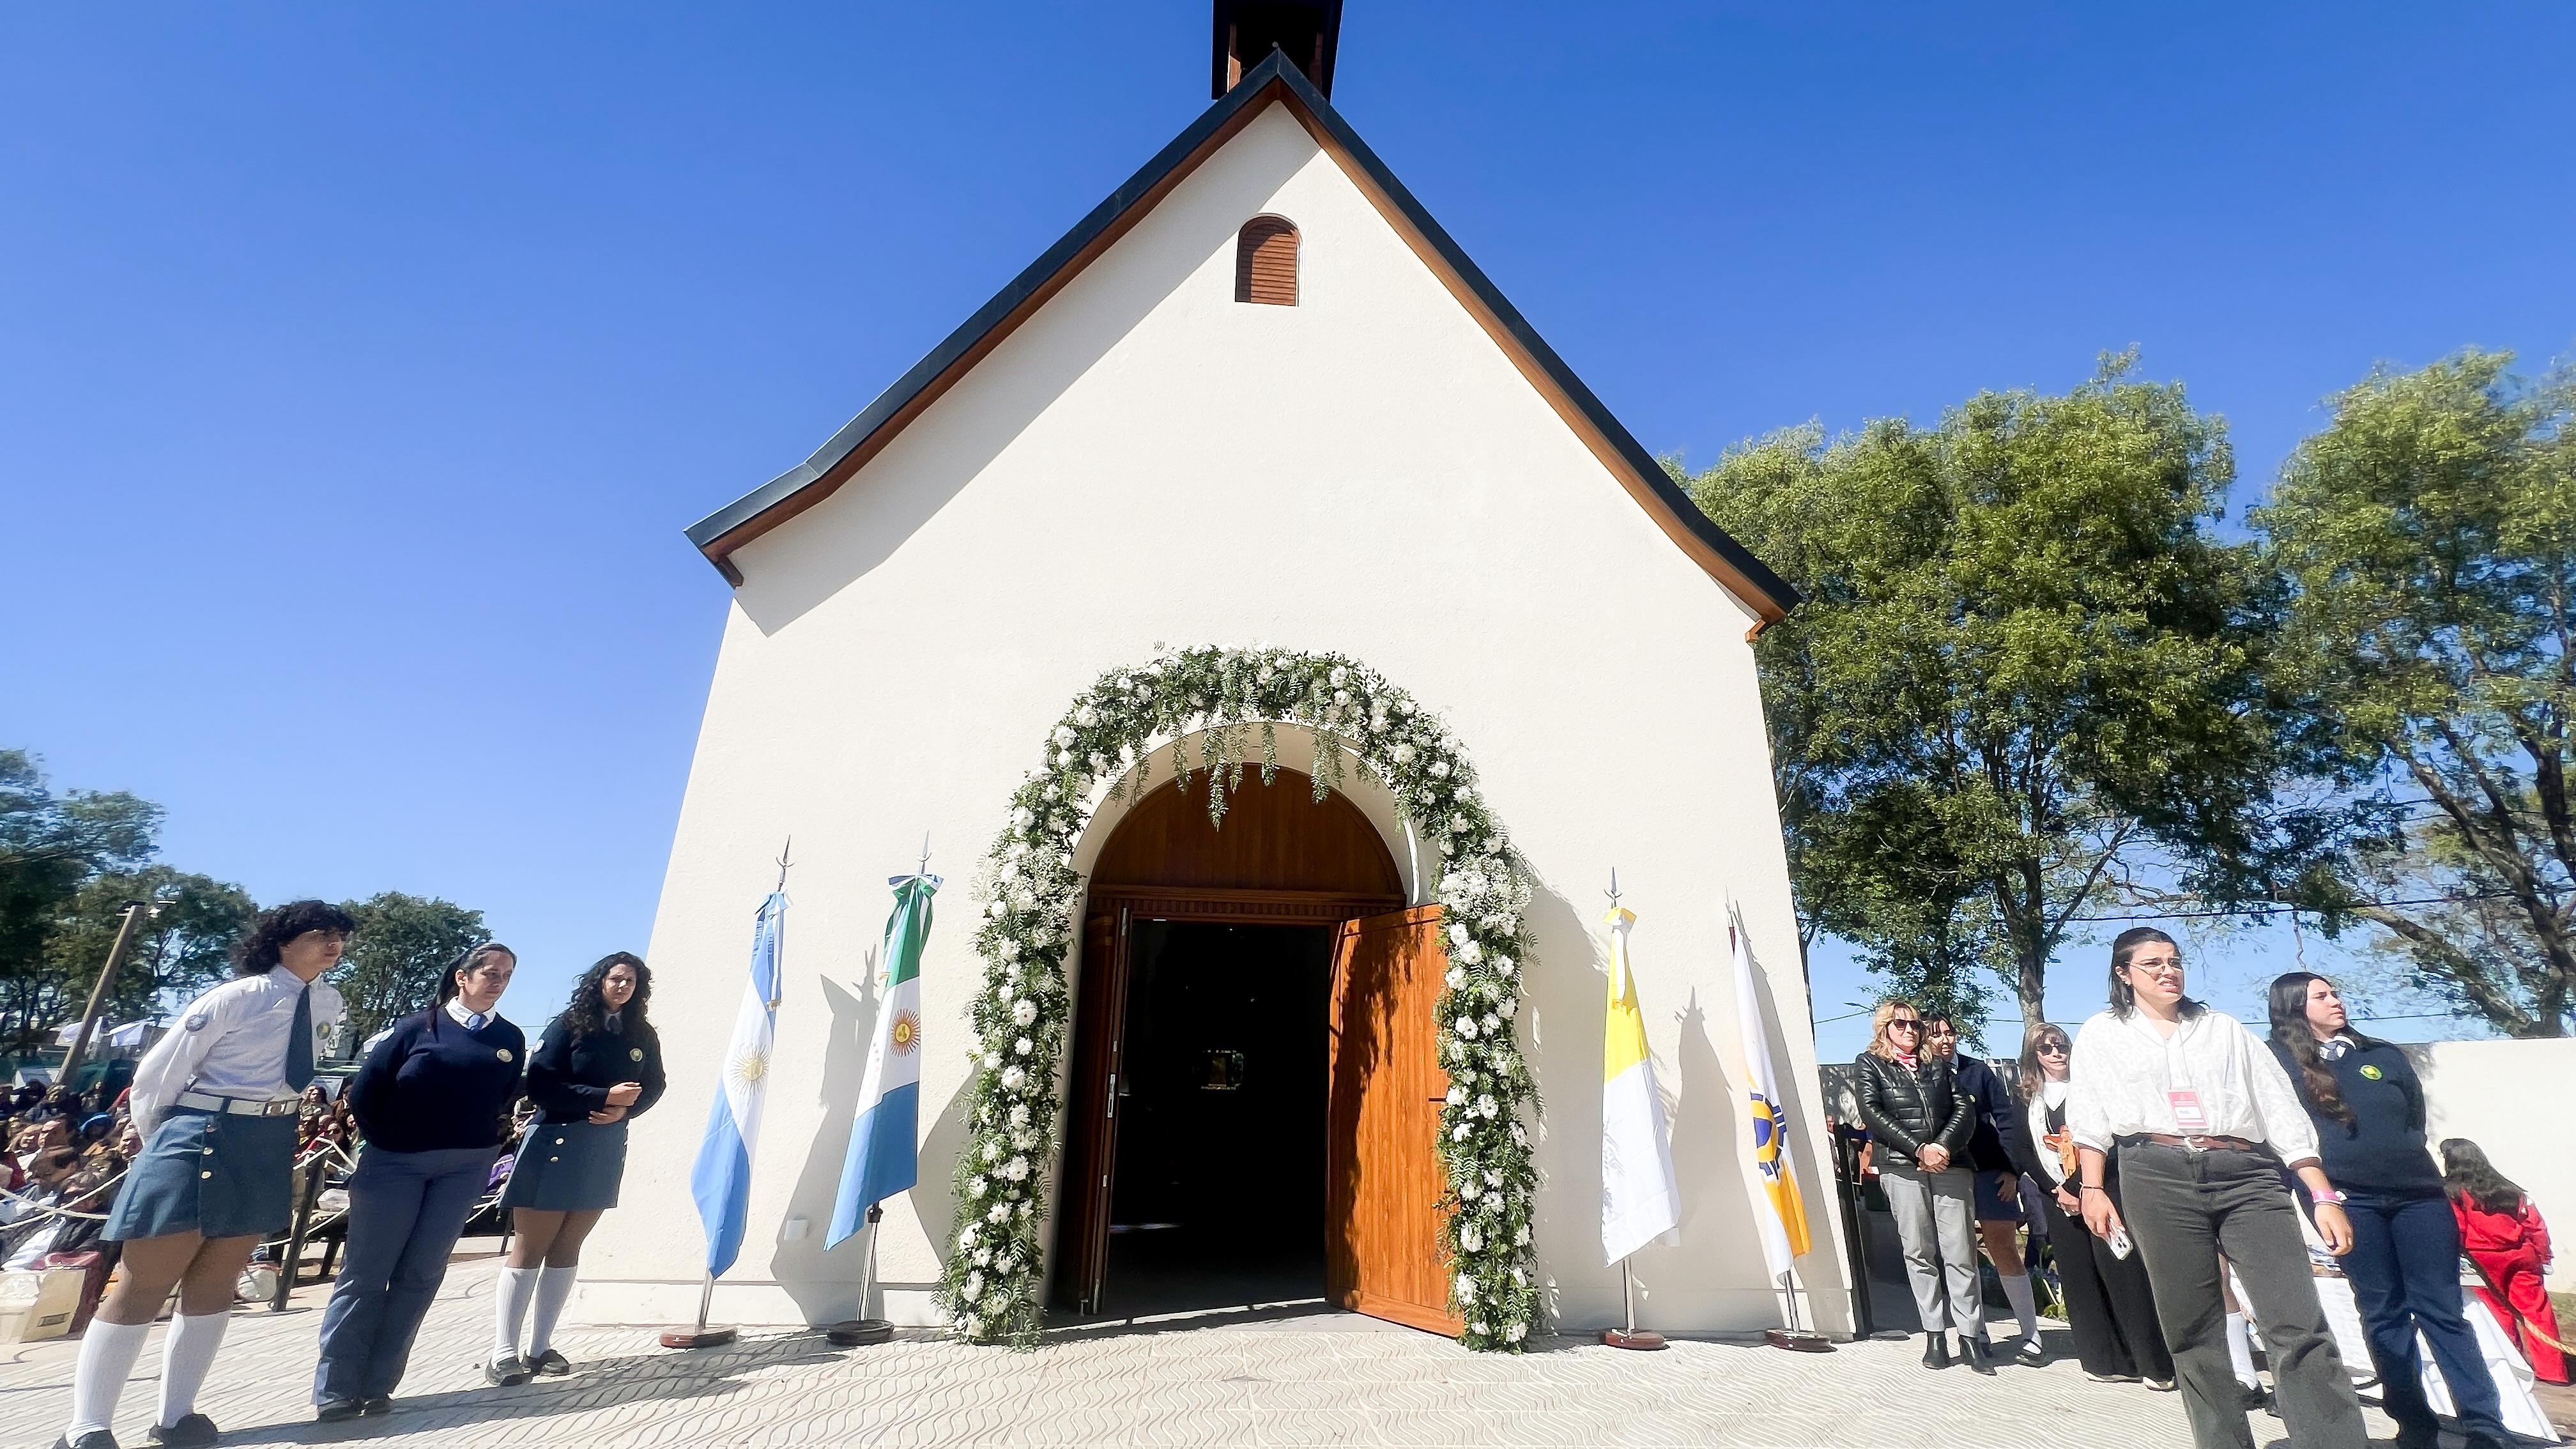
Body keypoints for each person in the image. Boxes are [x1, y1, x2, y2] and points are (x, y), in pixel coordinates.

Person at [53, 900, 349, 1449]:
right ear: (283, 941)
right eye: (319, 934)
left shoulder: (329, 1000)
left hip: (267, 1140)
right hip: (201, 1132)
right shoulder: (238, 996)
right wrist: (163, 1140)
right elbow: (157, 1076)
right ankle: (86, 1427)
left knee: (215, 1285)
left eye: (339, 935)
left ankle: (177, 1415)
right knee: (144, 1284)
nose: (333, 944)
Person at [2066, 928, 2366, 1449]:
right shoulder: (2101, 1033)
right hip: (2153, 1173)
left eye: (2175, 961)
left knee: (2296, 1320)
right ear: (2124, 974)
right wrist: (2093, 1187)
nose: (2168, 971)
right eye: (2153, 963)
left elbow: (2280, 1109)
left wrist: (2321, 1194)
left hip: (2245, 1173)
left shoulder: (2223, 1029)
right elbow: (2088, 1115)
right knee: (2191, 1328)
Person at [2265, 972, 2510, 1448]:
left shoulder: (2381, 1054)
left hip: (2419, 1198)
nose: (2336, 1000)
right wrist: (2321, 1199)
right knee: (2383, 1313)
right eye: (2321, 996)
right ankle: (2414, 1422)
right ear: (2294, 1007)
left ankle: (2484, 1423)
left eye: (2335, 991)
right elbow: (2283, 1135)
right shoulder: (2277, 1064)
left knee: (2444, 1310)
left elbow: (2414, 1121)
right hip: (2350, 1202)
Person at [311, 942, 528, 1421]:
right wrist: (388, 1140)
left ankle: (378, 1385)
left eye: (507, 975)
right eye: (489, 972)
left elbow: (505, 1097)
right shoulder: (416, 1027)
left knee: (421, 1274)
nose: (497, 981)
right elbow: (366, 1091)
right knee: (366, 1274)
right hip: (395, 1164)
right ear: (462, 977)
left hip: (464, 1168)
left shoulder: (510, 1038)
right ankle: (336, 1389)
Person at [489, 952, 664, 1383]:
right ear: (599, 980)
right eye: (617, 979)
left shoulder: (641, 1033)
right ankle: (503, 1352)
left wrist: (626, 1112)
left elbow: (656, 1084)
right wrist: (603, 1096)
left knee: (568, 1251)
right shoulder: (569, 1025)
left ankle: (540, 1347)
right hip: (557, 1142)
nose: (624, 987)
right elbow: (544, 1082)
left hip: (602, 1145)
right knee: (531, 1250)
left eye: (632, 982)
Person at [2009, 1021, 2175, 1388]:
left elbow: (2108, 1139)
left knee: (2122, 1270)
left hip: (2101, 1190)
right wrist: (2055, 1189)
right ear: (2034, 1057)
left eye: (2061, 1046)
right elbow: (2021, 1149)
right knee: (2080, 1276)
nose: (2057, 1054)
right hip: (2057, 1199)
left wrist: (2077, 1186)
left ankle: (2152, 1363)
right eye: (2047, 1049)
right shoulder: (2025, 1100)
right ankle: (2102, 1361)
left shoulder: (2092, 1087)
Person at [1851, 999, 1990, 1373]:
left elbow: (1964, 1109)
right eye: (1900, 1024)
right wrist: (1917, 1149)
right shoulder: (1871, 1064)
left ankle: (1970, 1335)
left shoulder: (1938, 1065)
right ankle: (1934, 1335)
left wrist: (1942, 1147)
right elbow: (1872, 1112)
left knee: (1960, 1251)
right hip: (1902, 1166)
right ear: (1885, 1028)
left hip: (1951, 1164)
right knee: (1919, 1250)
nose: (1910, 1030)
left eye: (1915, 1024)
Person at [1923, 1013, 2044, 1363]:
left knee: (2003, 1248)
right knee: (1960, 1254)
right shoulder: (1920, 1076)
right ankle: (1976, 1332)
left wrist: (2012, 1170)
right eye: (1936, 1035)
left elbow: (2007, 1120)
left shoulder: (1978, 1072)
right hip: (1949, 1175)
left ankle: (2031, 1334)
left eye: (1950, 1032)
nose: (1945, 1040)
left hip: (1991, 1173)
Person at [2445, 1137, 2568, 1386]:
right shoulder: (2511, 1189)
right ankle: (2553, 1371)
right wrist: (2544, 1257)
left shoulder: (2453, 1192)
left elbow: (2456, 1229)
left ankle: (2512, 1368)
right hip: (2522, 1254)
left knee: (2498, 1312)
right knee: (2537, 1312)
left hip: (2481, 1260)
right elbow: (2535, 1226)